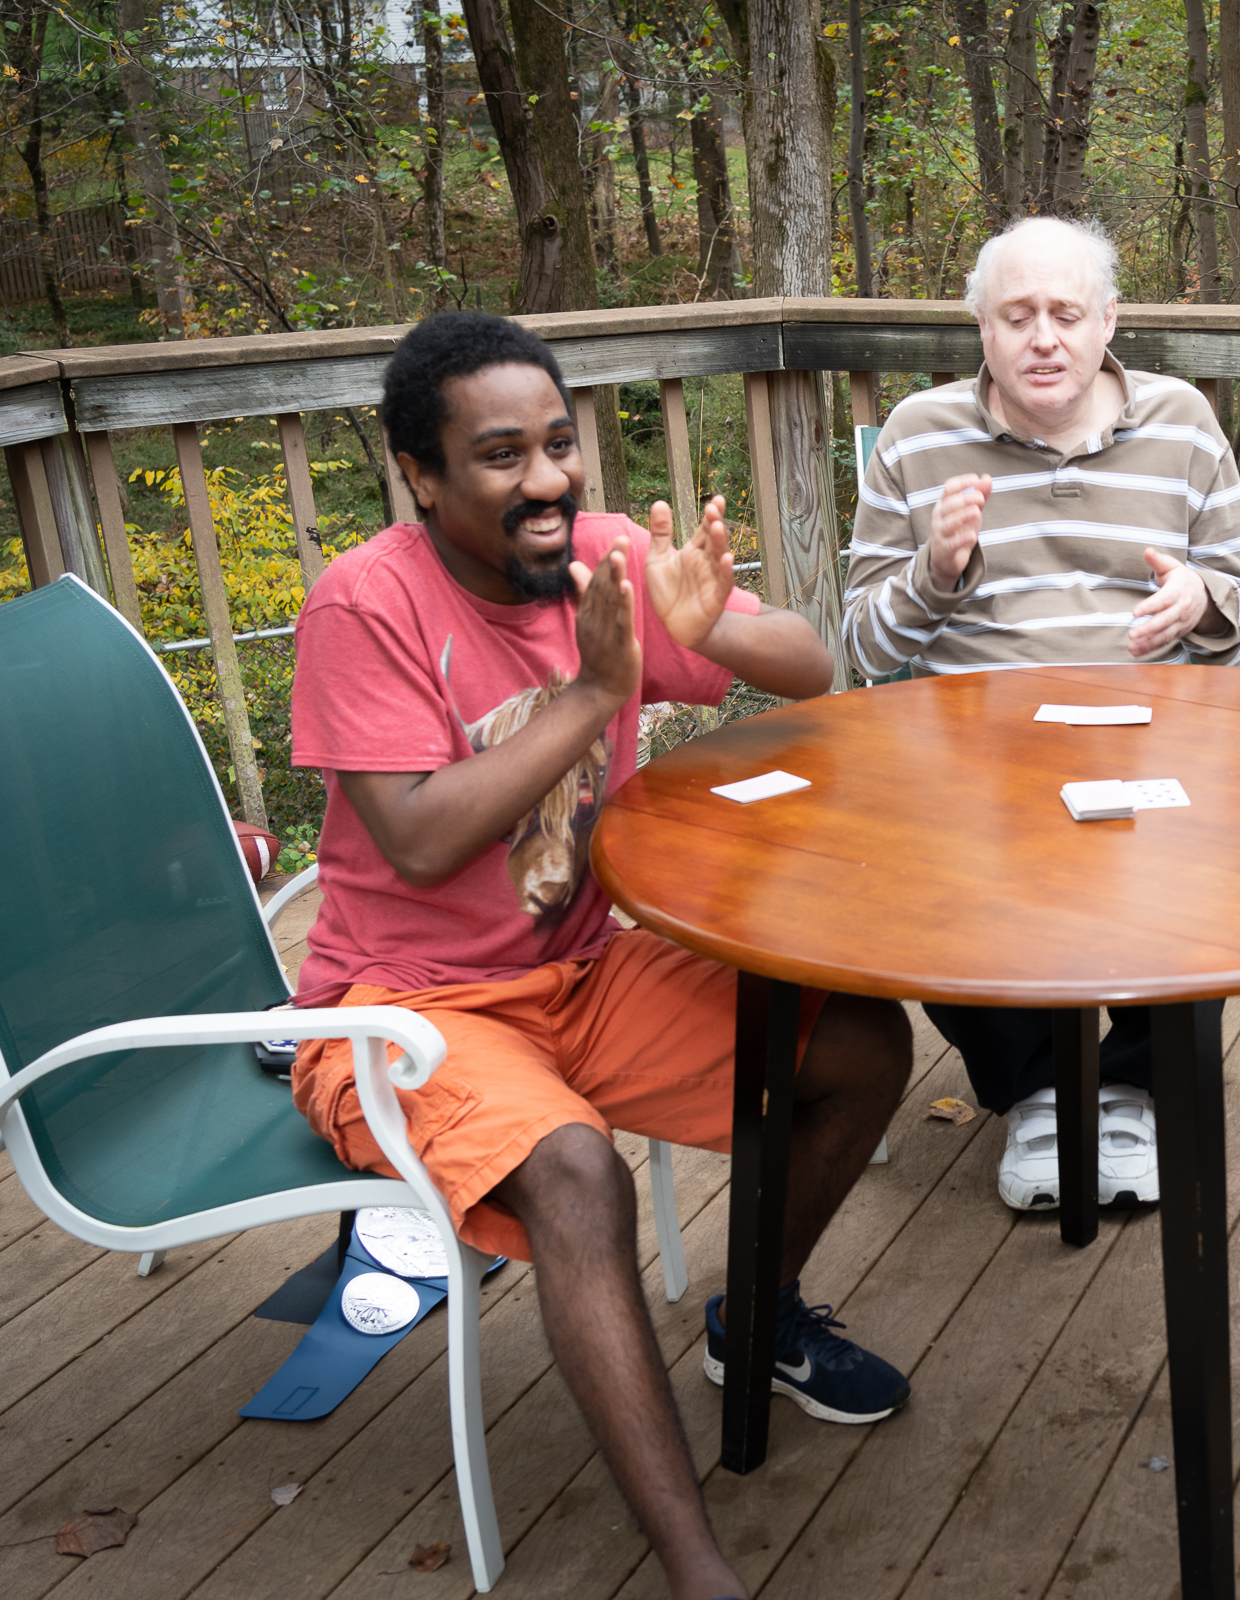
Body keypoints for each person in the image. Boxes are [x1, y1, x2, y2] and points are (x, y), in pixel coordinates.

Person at [290, 310, 914, 1600]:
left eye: (559, 444)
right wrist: (591, 690)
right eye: (500, 454)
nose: (547, 480)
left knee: (860, 1040)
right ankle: (698, 1571)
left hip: (585, 969)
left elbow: (810, 667)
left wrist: (718, 629)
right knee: (580, 1176)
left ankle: (758, 1315)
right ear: (421, 472)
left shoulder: (604, 556)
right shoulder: (366, 603)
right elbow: (412, 840)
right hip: (402, 1010)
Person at [841, 214, 1240, 1213]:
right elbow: (861, 647)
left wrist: (1202, 604)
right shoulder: (917, 435)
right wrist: (936, 572)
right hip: (971, 755)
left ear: (1107, 320)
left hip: (1158, 735)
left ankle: (1123, 1085)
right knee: (914, 870)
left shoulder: (1183, 422)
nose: (1044, 337)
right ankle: (1037, 1088)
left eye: (1066, 313)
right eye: (1017, 315)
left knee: (1235, 859)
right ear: (980, 329)